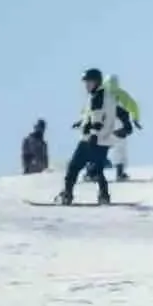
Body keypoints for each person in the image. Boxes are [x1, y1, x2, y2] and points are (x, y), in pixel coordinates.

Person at [58, 68, 118, 205]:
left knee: (74, 167)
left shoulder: (98, 96)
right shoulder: (103, 95)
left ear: (97, 82)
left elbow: (97, 119)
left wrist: (93, 133)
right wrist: (82, 123)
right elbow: (98, 116)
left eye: (89, 82)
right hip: (103, 140)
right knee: (96, 169)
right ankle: (104, 195)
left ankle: (67, 194)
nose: (86, 85)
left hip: (92, 139)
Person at [100, 75, 141, 181]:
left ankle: (92, 171)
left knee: (98, 149)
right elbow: (133, 106)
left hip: (103, 127)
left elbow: (89, 110)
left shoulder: (100, 94)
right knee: (120, 150)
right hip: (120, 127)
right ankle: (120, 172)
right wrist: (135, 120)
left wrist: (83, 121)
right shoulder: (122, 94)